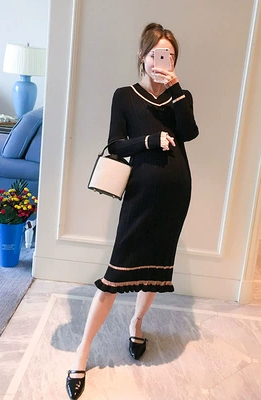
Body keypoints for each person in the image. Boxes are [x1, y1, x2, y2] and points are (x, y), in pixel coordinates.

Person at [66, 22, 199, 399]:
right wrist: (150, 141)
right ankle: (81, 353)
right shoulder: (124, 96)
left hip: (176, 195)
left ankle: (137, 323)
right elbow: (116, 145)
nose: (162, 61)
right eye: (156, 54)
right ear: (142, 56)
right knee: (115, 275)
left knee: (156, 268)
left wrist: (176, 90)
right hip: (140, 195)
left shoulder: (180, 96)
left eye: (169, 55)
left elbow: (189, 133)